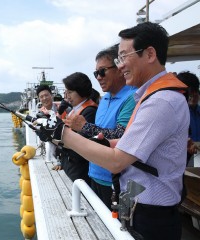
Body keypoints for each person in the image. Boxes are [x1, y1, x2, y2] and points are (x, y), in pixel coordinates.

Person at [38, 22, 188, 240]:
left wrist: (63, 135)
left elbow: (117, 161)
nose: (120, 66)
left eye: (123, 57)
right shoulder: (151, 96)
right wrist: (104, 142)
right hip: (140, 210)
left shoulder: (161, 101)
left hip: (151, 218)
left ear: (150, 54)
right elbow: (127, 143)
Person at [64, 44, 136, 208]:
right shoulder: (104, 99)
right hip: (94, 173)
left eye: (102, 71)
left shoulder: (132, 97)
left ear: (119, 68)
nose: (98, 77)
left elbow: (121, 135)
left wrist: (84, 127)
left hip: (114, 180)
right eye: (96, 73)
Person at [55, 72, 98, 184]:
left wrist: (55, 139)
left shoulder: (89, 111)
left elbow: (82, 144)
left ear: (81, 90)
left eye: (70, 92)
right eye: (65, 92)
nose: (66, 96)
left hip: (79, 170)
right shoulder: (74, 110)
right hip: (69, 166)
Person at [177, 71, 200, 164]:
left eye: (196, 95)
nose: (192, 98)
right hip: (182, 157)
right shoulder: (177, 112)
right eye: (190, 95)